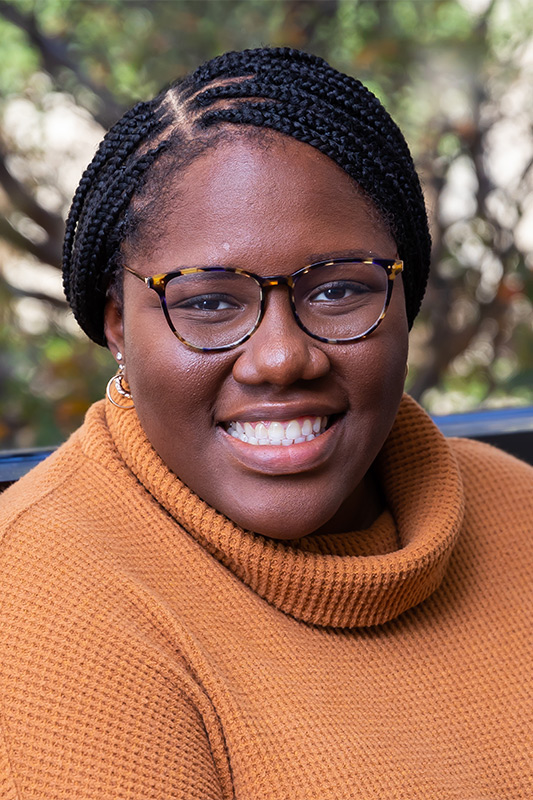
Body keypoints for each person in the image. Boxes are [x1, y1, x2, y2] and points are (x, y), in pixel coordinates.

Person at [0, 47, 531, 800]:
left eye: (338, 291)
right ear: (117, 325)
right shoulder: (46, 602)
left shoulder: (516, 509)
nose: (281, 358)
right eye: (208, 302)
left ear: (405, 302)